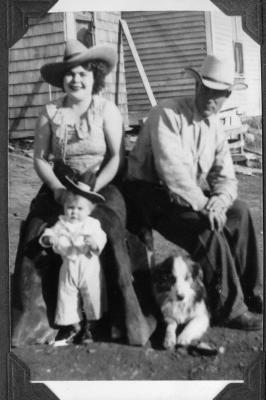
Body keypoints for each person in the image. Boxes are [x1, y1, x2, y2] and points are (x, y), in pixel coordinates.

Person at [11, 39, 155, 348]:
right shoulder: (49, 112)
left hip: (102, 181)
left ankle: (118, 322)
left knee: (112, 230)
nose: (75, 80)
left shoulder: (107, 110)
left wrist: (93, 189)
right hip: (61, 181)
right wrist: (57, 189)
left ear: (95, 77)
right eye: (69, 75)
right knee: (36, 231)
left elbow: (117, 157)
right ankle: (40, 324)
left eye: (82, 74)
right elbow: (39, 158)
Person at [123, 55, 263, 330]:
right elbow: (171, 171)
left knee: (240, 212)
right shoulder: (166, 113)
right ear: (197, 86)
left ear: (227, 96)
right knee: (206, 229)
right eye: (207, 89)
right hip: (149, 195)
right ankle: (229, 309)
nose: (212, 98)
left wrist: (220, 202)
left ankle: (251, 292)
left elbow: (226, 178)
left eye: (219, 93)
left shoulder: (215, 128)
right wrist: (204, 206)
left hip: (187, 195)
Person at [39, 175, 107, 346]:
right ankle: (73, 326)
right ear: (64, 208)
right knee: (66, 296)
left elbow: (101, 237)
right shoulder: (61, 223)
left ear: (89, 210)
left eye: (79, 209)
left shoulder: (93, 224)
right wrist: (49, 239)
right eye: (70, 208)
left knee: (91, 295)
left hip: (88, 265)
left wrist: (95, 243)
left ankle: (91, 327)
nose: (74, 212)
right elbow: (49, 233)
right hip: (68, 266)